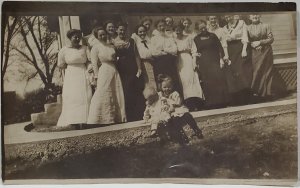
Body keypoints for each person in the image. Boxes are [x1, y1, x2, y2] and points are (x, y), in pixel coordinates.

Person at [87, 26, 126, 125]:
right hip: (104, 71)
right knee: (103, 92)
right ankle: (100, 118)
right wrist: (96, 77)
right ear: (97, 37)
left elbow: (116, 58)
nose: (103, 36)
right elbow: (95, 63)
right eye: (100, 35)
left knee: (115, 92)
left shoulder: (111, 46)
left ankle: (117, 117)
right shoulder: (95, 48)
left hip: (114, 70)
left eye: (104, 34)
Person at [57, 29, 92, 127]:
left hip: (83, 72)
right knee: (73, 98)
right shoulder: (64, 50)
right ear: (70, 38)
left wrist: (89, 67)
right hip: (71, 75)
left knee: (85, 96)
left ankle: (86, 120)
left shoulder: (85, 48)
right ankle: (74, 121)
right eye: (75, 37)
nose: (77, 39)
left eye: (78, 37)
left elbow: (89, 60)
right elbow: (60, 64)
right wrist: (70, 68)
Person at [192, 20, 229, 109]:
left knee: (219, 80)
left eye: (204, 27)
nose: (204, 29)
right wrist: (196, 60)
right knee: (208, 82)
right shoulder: (196, 38)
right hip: (204, 63)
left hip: (215, 61)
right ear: (197, 29)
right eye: (201, 28)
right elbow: (195, 51)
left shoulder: (212, 35)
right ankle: (211, 103)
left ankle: (223, 102)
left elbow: (220, 47)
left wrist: (221, 59)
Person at [113, 22, 145, 121]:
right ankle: (129, 116)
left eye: (124, 30)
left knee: (135, 90)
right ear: (116, 30)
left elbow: (136, 55)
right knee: (125, 91)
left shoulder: (131, 40)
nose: (122, 31)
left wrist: (139, 68)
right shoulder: (113, 42)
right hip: (121, 68)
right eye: (120, 29)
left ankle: (139, 115)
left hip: (132, 67)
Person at [157, 74, 203, 139]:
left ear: (172, 86)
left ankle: (196, 130)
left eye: (169, 87)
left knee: (187, 116)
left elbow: (178, 103)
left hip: (176, 110)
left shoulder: (175, 94)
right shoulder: (160, 95)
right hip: (167, 113)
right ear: (160, 87)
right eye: (164, 87)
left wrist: (171, 104)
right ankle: (182, 134)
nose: (167, 89)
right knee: (173, 121)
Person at [174, 24, 205, 111]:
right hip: (179, 61)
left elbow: (194, 50)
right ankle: (187, 103)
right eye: (176, 29)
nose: (177, 31)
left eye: (179, 29)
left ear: (182, 29)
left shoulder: (188, 38)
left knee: (192, 80)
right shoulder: (173, 39)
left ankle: (197, 102)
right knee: (183, 82)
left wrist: (194, 62)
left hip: (188, 59)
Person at [223, 15, 252, 105]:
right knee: (233, 74)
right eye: (226, 17)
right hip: (230, 50)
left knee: (242, 72)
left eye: (229, 16)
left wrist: (244, 50)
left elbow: (245, 37)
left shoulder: (241, 23)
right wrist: (226, 55)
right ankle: (237, 100)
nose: (228, 18)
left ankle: (246, 98)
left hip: (240, 48)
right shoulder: (224, 28)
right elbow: (224, 42)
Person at [151, 19, 181, 95]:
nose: (162, 28)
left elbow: (174, 50)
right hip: (159, 63)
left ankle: (174, 100)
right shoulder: (154, 39)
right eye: (159, 26)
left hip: (170, 64)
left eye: (163, 26)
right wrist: (165, 52)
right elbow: (153, 52)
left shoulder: (170, 38)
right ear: (156, 27)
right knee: (161, 82)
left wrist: (164, 50)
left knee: (172, 81)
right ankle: (162, 101)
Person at [248, 14, 274, 99]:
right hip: (255, 52)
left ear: (260, 16)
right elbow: (246, 40)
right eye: (252, 15)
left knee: (266, 70)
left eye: (257, 14)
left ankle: (267, 93)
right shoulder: (247, 27)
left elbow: (271, 39)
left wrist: (260, 43)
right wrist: (253, 45)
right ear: (249, 17)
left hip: (266, 51)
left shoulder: (266, 25)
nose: (255, 16)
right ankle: (256, 92)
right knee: (256, 70)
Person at [134, 24, 157, 90]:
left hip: (152, 62)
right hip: (143, 63)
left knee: (153, 80)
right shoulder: (136, 43)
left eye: (144, 31)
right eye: (140, 32)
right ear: (137, 33)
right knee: (148, 82)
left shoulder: (148, 41)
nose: (142, 33)